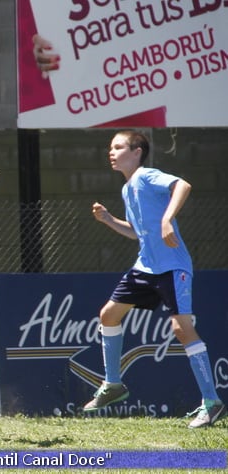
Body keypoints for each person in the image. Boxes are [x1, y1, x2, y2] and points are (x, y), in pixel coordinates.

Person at [82, 130, 224, 428]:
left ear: (137, 152)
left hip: (172, 266)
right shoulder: (127, 189)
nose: (112, 152)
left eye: (118, 147)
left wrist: (167, 219)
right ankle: (114, 385)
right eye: (111, 148)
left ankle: (211, 403)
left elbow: (182, 185)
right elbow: (136, 232)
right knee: (108, 315)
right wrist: (108, 220)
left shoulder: (146, 175)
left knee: (181, 330)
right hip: (145, 267)